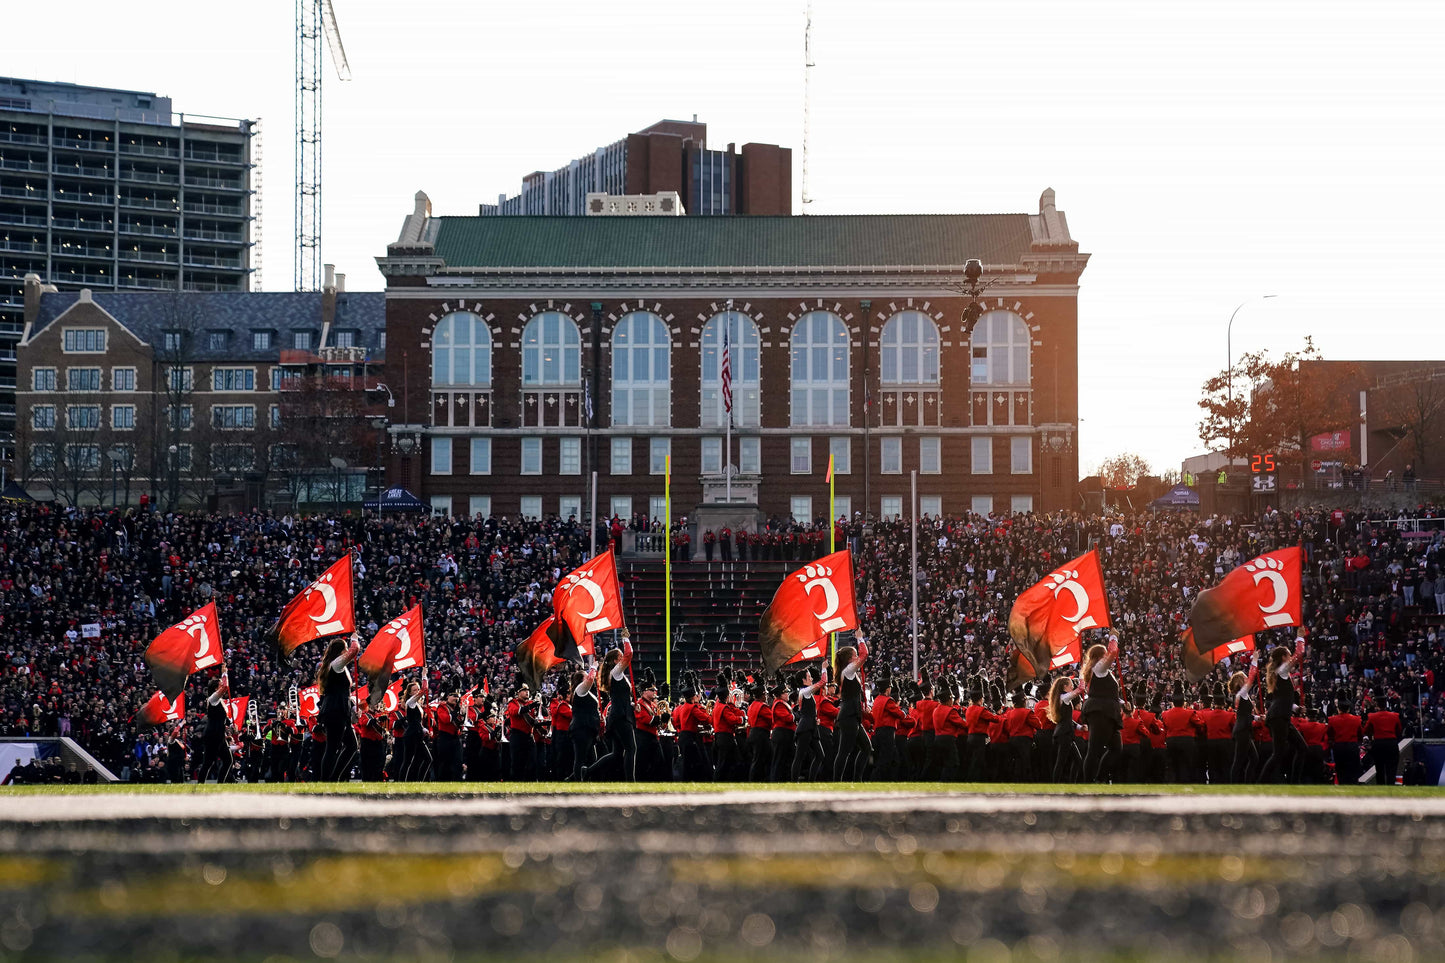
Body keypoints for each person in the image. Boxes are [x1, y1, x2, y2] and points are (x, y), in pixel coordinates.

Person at [1257, 635, 1308, 784]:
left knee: (1301, 748)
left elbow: (1283, 698)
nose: (1291, 656)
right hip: (1279, 717)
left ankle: (1294, 783)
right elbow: (1299, 653)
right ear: (1284, 657)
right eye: (1288, 654)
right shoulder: (1283, 669)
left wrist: (1297, 708)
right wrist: (1300, 635)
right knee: (1278, 754)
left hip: (1280, 715)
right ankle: (1261, 783)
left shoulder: (1280, 673)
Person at [590, 632, 636, 781]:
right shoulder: (616, 672)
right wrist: (625, 637)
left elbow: (620, 697)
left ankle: (588, 771)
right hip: (621, 717)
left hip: (617, 715)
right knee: (631, 748)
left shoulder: (615, 674)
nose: (623, 658)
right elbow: (630, 654)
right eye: (620, 656)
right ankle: (631, 782)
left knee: (617, 753)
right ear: (617, 660)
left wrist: (632, 704)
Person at [317, 633, 361, 782]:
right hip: (336, 710)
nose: (347, 650)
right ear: (340, 651)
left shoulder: (336, 665)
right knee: (332, 747)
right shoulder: (336, 664)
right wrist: (354, 638)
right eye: (345, 648)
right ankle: (326, 780)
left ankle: (334, 777)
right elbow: (355, 650)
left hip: (340, 709)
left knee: (351, 745)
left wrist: (352, 704)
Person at [1080, 635, 1123, 783]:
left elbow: (1107, 692)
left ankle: (1098, 778)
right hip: (1101, 711)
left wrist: (1122, 703)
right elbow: (1113, 653)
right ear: (1099, 656)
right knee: (1093, 750)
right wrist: (1113, 637)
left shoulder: (1099, 670)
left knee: (1116, 748)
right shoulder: (1098, 667)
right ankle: (1089, 781)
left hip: (1106, 710)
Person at [832, 638, 870, 781]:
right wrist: (860, 637)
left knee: (866, 747)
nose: (857, 658)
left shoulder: (848, 672)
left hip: (852, 715)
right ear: (849, 660)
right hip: (849, 715)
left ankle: (857, 780)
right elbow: (865, 654)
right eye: (854, 655)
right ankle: (838, 781)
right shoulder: (848, 670)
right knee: (844, 751)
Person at [198, 674, 233, 784]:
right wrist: (224, 673)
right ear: (215, 688)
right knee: (208, 763)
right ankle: (200, 785)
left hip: (220, 735)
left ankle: (220, 784)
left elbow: (223, 718)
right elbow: (225, 687)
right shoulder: (212, 698)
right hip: (212, 735)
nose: (222, 685)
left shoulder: (220, 701)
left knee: (228, 760)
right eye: (220, 685)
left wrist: (231, 725)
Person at [1047, 676, 1082, 783]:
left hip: (1064, 733)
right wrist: (1082, 677)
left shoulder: (1062, 698)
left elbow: (1067, 719)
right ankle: (1057, 784)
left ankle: (1070, 783)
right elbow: (1080, 689)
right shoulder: (1064, 697)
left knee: (1077, 761)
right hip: (1064, 734)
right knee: (1062, 761)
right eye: (1071, 684)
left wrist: (1079, 727)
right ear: (1064, 687)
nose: (1072, 686)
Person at [1229, 663, 1259, 783]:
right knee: (1239, 761)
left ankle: (1247, 783)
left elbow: (1245, 714)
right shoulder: (1240, 694)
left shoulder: (1244, 695)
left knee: (1253, 759)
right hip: (1242, 731)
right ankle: (1236, 784)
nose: (1247, 678)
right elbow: (1252, 677)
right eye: (1244, 677)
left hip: (1244, 729)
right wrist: (1255, 660)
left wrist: (1256, 718)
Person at [569, 666, 600, 781]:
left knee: (593, 759)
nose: (588, 678)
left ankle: (587, 781)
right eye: (585, 677)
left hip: (589, 728)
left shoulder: (586, 692)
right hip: (581, 728)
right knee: (580, 759)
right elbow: (591, 679)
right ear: (581, 680)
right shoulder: (579, 690)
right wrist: (593, 668)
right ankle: (578, 782)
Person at [1326, 696, 1364, 787]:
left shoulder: (1332, 720)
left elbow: (1329, 735)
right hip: (1352, 747)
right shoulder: (1357, 719)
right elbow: (1360, 735)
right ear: (1348, 709)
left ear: (1338, 709)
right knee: (1353, 771)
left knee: (1341, 771)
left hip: (1339, 748)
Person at [1365, 697, 1402, 786]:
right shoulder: (1395, 716)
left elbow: (1366, 730)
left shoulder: (1372, 716)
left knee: (1380, 770)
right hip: (1391, 744)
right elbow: (1399, 730)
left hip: (1378, 744)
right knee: (1391, 771)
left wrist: (1371, 739)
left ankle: (1381, 793)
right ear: (1386, 705)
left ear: (1377, 705)